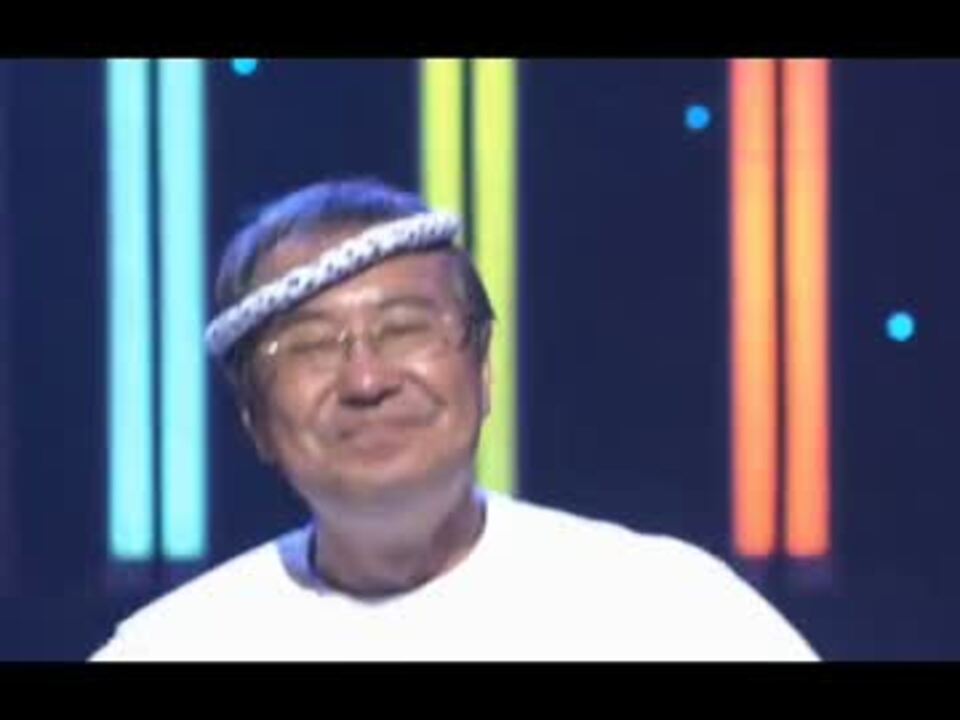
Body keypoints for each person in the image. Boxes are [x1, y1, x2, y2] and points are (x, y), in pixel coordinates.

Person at [91, 178, 818, 661]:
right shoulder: (173, 647)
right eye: (310, 346)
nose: (367, 379)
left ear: (483, 371)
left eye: (406, 329)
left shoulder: (669, 614)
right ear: (254, 419)